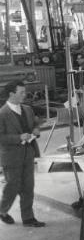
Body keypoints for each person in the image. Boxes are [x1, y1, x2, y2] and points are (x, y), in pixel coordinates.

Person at [0, 80, 45, 227]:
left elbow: (34, 125)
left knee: (28, 186)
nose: (25, 95)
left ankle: (28, 218)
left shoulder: (27, 109)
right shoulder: (2, 114)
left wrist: (36, 131)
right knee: (12, 186)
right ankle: (2, 210)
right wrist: (18, 138)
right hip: (11, 157)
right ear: (11, 94)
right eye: (22, 92)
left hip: (28, 153)